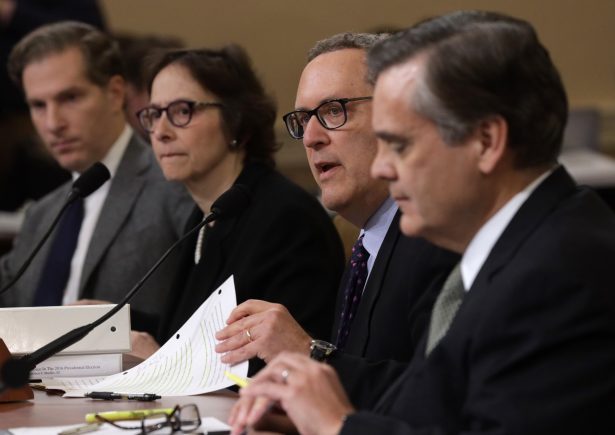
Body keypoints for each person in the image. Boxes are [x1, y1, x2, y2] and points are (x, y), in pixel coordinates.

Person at [231, 11, 615, 435]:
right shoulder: (513, 248)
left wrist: (337, 427)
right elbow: (439, 407)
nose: (386, 167)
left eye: (401, 144)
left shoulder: (560, 270)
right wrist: (307, 412)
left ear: (485, 142)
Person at [215, 32, 457, 404]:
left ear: (397, 115)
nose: (311, 138)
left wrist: (307, 353)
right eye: (303, 119)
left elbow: (439, 398)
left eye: (333, 111)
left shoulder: (437, 239)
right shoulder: (366, 242)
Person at [128, 45, 345, 374]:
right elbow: (191, 332)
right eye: (154, 114)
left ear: (237, 122)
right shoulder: (204, 215)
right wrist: (113, 320)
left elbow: (273, 365)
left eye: (182, 111)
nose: (161, 131)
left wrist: (159, 363)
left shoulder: (286, 219)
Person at [0, 21, 192, 336]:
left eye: (70, 98)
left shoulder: (175, 184)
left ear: (116, 93)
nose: (53, 123)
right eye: (38, 105)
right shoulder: (42, 215)